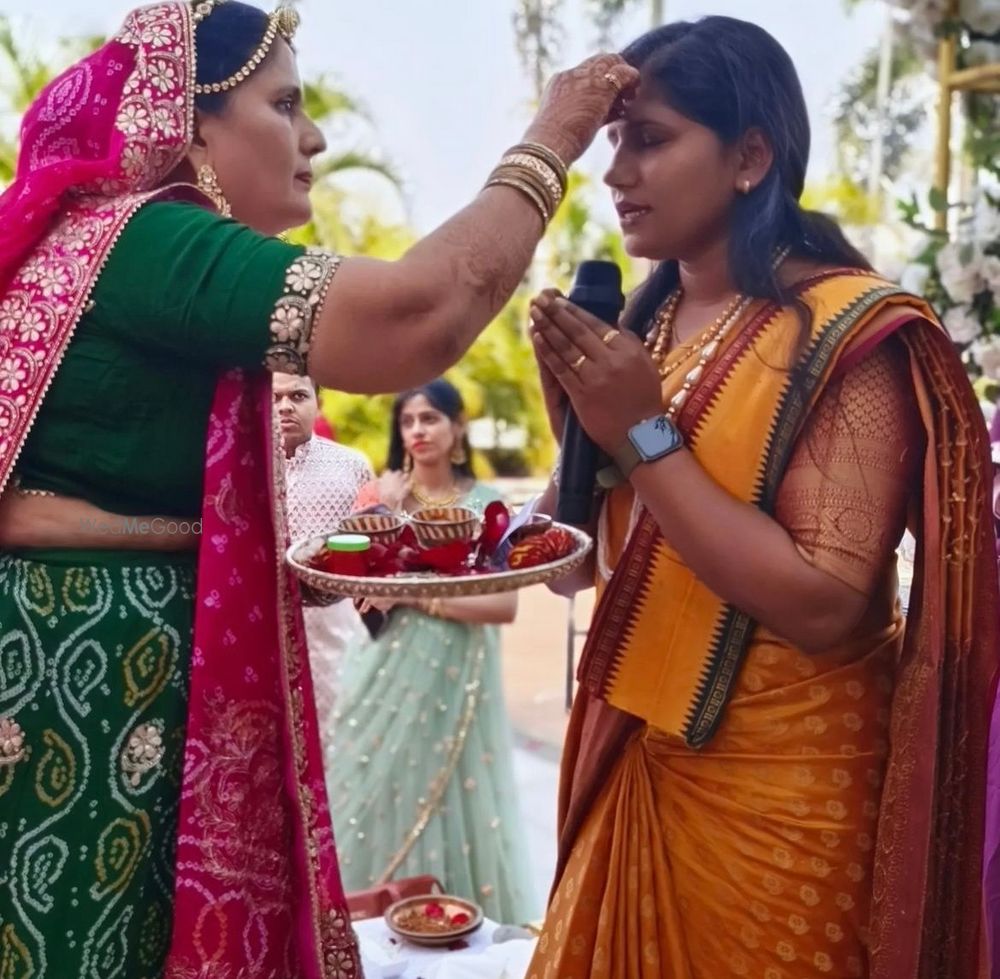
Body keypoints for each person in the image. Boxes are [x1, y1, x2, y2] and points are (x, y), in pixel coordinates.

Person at [0, 2, 635, 975]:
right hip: (85, 709)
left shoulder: (87, 247)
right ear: (192, 126)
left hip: (74, 677)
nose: (315, 136)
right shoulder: (148, 243)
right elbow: (418, 318)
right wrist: (553, 137)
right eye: (283, 104)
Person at [524, 17, 998, 979]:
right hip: (638, 762)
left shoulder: (847, 333)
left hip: (787, 803)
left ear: (749, 156)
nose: (616, 174)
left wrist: (643, 436)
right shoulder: (646, 321)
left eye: (649, 138)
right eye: (613, 142)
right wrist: (567, 437)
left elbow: (822, 600)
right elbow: (581, 569)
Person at [328, 379, 537, 924]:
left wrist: (415, 594)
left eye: (430, 418)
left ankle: (450, 932)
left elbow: (504, 606)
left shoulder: (487, 505)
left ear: (457, 427)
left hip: (455, 674)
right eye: (408, 422)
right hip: (382, 669)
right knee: (371, 790)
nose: (418, 431)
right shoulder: (383, 497)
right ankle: (368, 931)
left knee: (454, 799)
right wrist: (389, 515)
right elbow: (361, 592)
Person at [275, 371, 373, 747]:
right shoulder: (242, 467)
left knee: (336, 746)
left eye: (298, 396)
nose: (285, 406)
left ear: (319, 403)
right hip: (262, 632)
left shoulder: (352, 466)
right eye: (275, 397)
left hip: (335, 638)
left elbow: (370, 549)